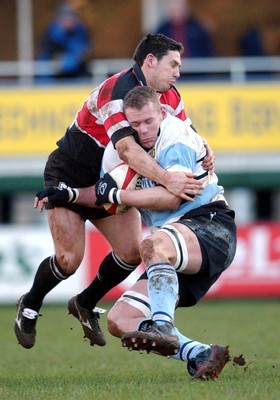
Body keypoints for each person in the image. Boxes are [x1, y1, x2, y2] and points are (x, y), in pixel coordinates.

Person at [14, 33, 214, 350]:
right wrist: (168, 179)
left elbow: (187, 132)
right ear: (151, 61)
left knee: (132, 253)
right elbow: (127, 150)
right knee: (69, 260)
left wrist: (204, 147)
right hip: (71, 175)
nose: (178, 72)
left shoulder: (170, 96)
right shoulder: (117, 91)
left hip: (114, 182)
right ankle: (30, 305)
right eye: (173, 64)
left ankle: (84, 302)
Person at [55, 86, 236, 380]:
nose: (144, 130)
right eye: (135, 124)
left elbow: (173, 197)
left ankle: (163, 324)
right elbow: (105, 195)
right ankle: (201, 353)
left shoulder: (175, 137)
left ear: (161, 113)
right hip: (171, 249)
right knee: (119, 319)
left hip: (210, 227)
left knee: (150, 245)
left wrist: (119, 196)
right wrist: (68, 195)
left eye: (149, 121)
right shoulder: (121, 153)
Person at [37, 3, 92, 79]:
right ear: (58, 19)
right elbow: (48, 53)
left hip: (77, 71)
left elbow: (87, 49)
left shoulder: (81, 31)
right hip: (53, 71)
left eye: (71, 18)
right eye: (65, 18)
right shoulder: (51, 34)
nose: (68, 21)